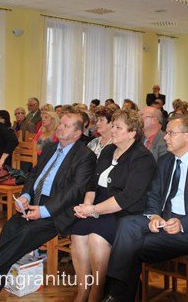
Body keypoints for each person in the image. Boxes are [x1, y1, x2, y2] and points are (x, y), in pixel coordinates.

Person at [0, 113, 96, 300]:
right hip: (35, 201)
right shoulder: (51, 147)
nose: (60, 127)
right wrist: (26, 195)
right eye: (60, 123)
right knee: (10, 228)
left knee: (25, 234)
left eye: (66, 126)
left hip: (58, 210)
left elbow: (74, 191)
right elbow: (34, 173)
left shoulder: (85, 155)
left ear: (77, 133)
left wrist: (44, 211)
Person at [102, 117, 188, 302]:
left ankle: (115, 295)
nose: (165, 137)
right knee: (127, 224)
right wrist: (154, 215)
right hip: (165, 218)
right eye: (166, 132)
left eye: (171, 133)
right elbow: (154, 194)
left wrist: (182, 223)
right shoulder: (166, 160)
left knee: (129, 248)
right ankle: (116, 294)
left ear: (187, 136)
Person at [71, 110, 157, 301]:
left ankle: (97, 290)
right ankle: (83, 290)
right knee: (77, 233)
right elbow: (92, 183)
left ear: (132, 132)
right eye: (114, 126)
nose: (113, 130)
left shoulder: (142, 158)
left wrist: (93, 210)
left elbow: (127, 197)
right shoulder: (109, 150)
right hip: (98, 205)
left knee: (96, 238)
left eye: (119, 127)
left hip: (124, 211)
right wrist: (86, 207)